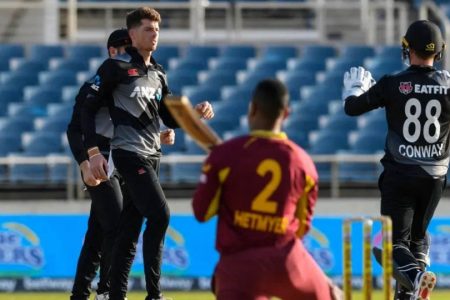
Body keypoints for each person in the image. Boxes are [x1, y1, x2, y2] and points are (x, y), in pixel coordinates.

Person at [80, 7, 214, 300]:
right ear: (132, 34)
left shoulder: (158, 72)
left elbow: (166, 116)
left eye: (157, 30)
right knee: (161, 215)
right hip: (128, 154)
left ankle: (116, 294)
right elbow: (88, 109)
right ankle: (154, 294)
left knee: (130, 229)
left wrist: (194, 114)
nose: (154, 35)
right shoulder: (114, 68)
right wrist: (92, 153)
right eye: (148, 29)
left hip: (153, 156)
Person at [192, 79, 342, 300]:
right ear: (286, 114)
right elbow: (301, 229)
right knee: (333, 294)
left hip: (238, 266)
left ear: (251, 109)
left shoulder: (224, 156)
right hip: (286, 262)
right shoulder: (303, 162)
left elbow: (202, 212)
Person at [67, 28, 176, 300]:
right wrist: (84, 162)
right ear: (111, 51)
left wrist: (158, 135)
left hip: (122, 157)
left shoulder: (130, 84)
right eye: (123, 48)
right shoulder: (101, 81)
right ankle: (106, 291)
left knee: (98, 230)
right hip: (101, 160)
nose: (129, 54)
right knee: (116, 223)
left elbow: (132, 126)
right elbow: (74, 128)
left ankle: (80, 293)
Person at [342, 20, 447, 300]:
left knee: (394, 245)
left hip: (399, 176)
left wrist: (353, 90)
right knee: (418, 238)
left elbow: (352, 109)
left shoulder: (393, 84)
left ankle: (415, 277)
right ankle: (412, 286)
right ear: (440, 51)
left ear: (407, 48)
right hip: (435, 179)